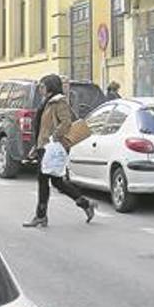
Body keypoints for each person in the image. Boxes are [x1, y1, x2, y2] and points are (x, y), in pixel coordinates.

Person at [23, 74, 97, 228]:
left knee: (44, 181)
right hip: (45, 147)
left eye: (43, 86)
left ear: (50, 86)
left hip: (52, 147)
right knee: (56, 181)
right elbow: (41, 128)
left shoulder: (59, 102)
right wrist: (36, 147)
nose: (40, 89)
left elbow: (66, 122)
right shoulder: (46, 102)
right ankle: (85, 203)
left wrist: (53, 137)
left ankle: (41, 216)